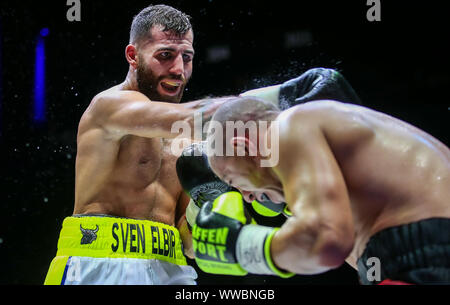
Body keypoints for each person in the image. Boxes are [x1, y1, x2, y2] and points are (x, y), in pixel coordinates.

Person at [44, 4, 228, 285]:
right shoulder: (110, 106)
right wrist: (276, 104)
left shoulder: (192, 140)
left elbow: (189, 245)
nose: (178, 69)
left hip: (172, 269)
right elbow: (181, 118)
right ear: (133, 55)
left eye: (186, 57)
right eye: (165, 56)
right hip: (99, 262)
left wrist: (203, 210)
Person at [183, 97, 450, 284]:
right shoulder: (358, 176)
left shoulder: (288, 126)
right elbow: (347, 257)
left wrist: (241, 246)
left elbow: (324, 243)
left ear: (244, 147)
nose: (248, 197)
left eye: (232, 180)